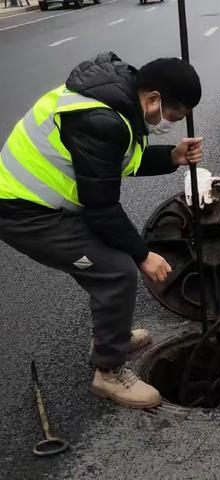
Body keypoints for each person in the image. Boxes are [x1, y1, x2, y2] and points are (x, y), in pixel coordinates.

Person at [0, 52, 204, 409]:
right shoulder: (102, 119)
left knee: (108, 261)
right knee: (116, 270)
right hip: (23, 213)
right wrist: (144, 255)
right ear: (154, 98)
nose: (171, 122)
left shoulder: (117, 100)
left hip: (47, 204)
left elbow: (117, 162)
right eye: (175, 116)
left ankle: (112, 337)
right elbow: (102, 208)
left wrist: (172, 156)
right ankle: (108, 373)